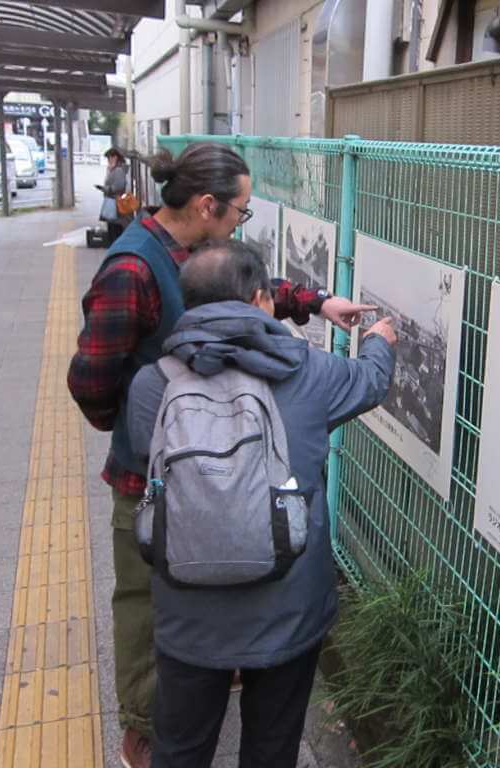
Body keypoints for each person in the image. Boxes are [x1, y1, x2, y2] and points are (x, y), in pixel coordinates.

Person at [67, 142, 376, 768]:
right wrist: (144, 429)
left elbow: (240, 288)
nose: (243, 221)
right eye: (241, 211)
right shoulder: (131, 270)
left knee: (200, 585)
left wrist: (314, 302)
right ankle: (144, 724)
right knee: (146, 598)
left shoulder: (192, 256)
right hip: (152, 473)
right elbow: (91, 380)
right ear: (208, 206)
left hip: (194, 455)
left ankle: (196, 696)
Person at [125, 240, 397, 768]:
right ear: (260, 300)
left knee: (180, 749)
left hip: (187, 615)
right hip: (288, 609)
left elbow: (150, 467)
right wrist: (379, 341)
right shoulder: (311, 374)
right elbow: (371, 382)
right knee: (271, 748)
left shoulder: (150, 384)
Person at [98, 148, 129, 246]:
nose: (109, 160)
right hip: (113, 201)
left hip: (115, 202)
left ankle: (116, 246)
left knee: (115, 227)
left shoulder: (119, 170)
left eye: (110, 158)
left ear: (116, 157)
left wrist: (106, 189)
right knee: (113, 226)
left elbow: (119, 186)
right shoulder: (113, 169)